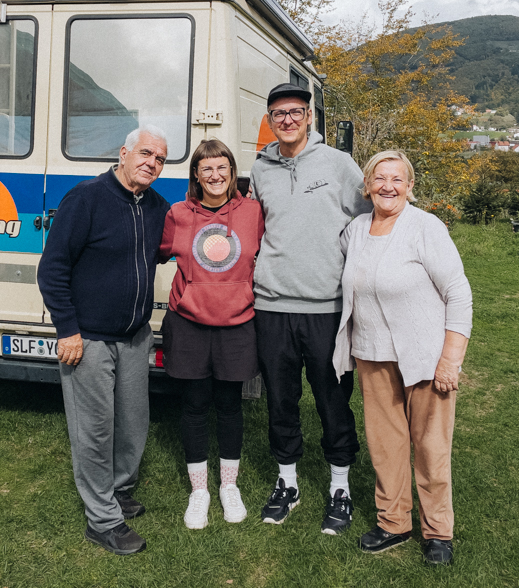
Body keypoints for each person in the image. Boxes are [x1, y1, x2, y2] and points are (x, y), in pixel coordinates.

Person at [332, 150, 472, 566]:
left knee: (430, 447)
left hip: (425, 357)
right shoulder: (355, 230)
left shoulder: (425, 227)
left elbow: (459, 295)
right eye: (379, 178)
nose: (387, 186)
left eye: (397, 179)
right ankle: (394, 522)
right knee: (386, 446)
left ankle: (438, 532)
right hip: (373, 354)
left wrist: (451, 359)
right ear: (368, 186)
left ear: (410, 187)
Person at [37, 126, 171, 556]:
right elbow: (52, 269)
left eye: (161, 159)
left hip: (134, 336)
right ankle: (103, 520)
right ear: (124, 153)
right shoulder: (86, 199)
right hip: (89, 339)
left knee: (132, 423)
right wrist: (68, 330)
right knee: (94, 431)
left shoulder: (156, 207)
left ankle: (119, 490)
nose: (152, 163)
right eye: (146, 153)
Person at [250, 82, 373, 534]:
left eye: (295, 112)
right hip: (273, 305)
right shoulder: (259, 169)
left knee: (332, 400)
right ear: (270, 119)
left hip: (326, 307)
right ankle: (288, 483)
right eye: (278, 113)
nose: (287, 120)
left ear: (309, 117)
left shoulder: (339, 165)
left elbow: (367, 220)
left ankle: (340, 486)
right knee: (281, 401)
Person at [157, 139, 265, 529]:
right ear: (196, 176)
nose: (215, 176)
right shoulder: (178, 214)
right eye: (207, 169)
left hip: (237, 323)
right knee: (194, 406)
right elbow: (152, 250)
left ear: (232, 173)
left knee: (230, 405)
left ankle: (229, 487)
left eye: (222, 168)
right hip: (188, 323)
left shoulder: (253, 212)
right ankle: (199, 490)